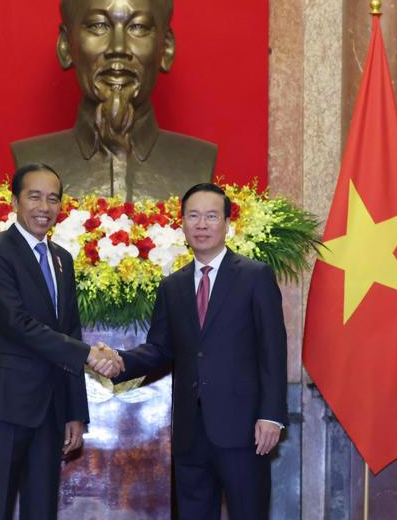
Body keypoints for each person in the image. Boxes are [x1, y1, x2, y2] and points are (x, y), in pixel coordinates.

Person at [93, 183, 288, 519]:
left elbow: (273, 349)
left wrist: (271, 415)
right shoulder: (173, 286)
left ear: (227, 224)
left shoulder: (255, 277)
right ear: (181, 223)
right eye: (193, 216)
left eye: (211, 216)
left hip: (244, 430)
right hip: (190, 432)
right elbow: (159, 349)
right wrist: (120, 360)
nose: (202, 224)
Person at [0, 163, 122, 520]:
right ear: (15, 201)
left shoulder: (62, 260)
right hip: (5, 403)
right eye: (34, 196)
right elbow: (15, 323)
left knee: (42, 510)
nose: (44, 207)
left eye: (53, 199)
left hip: (50, 411)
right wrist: (88, 355)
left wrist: (74, 413)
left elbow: (70, 332)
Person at [12, 0, 216, 201]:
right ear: (66, 46)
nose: (118, 47)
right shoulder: (29, 158)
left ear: (166, 49)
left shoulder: (198, 161)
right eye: (98, 26)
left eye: (138, 27)